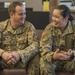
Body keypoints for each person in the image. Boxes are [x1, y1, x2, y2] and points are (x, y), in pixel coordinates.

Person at [0, 2, 39, 75]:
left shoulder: (29, 27)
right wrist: (3, 54)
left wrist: (19, 54)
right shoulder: (1, 26)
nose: (24, 16)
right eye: (20, 14)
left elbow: (35, 45)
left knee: (36, 57)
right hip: (4, 60)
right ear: (12, 14)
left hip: (23, 61)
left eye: (24, 13)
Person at [40, 5, 75, 75]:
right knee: (44, 62)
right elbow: (44, 49)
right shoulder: (49, 28)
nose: (53, 19)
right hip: (54, 61)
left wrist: (72, 53)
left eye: (57, 17)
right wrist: (54, 56)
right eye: (53, 16)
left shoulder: (73, 28)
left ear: (65, 19)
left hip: (70, 61)